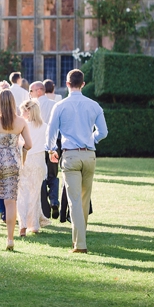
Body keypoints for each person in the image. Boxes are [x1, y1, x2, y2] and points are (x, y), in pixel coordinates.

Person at [45, 69, 107, 253]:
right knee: (84, 199)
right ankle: (80, 239)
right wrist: (91, 139)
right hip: (89, 155)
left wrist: (51, 150)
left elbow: (51, 132)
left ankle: (80, 244)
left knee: (74, 201)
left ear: (67, 83)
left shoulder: (60, 105)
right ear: (83, 84)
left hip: (70, 154)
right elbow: (103, 132)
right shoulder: (94, 105)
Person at [0, 89, 33, 250]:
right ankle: (10, 239)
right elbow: (29, 144)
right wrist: (20, 152)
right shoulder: (21, 122)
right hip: (13, 162)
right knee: (11, 201)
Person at [17, 99, 48, 235]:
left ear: (27, 111)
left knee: (22, 193)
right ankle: (34, 225)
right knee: (35, 194)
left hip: (25, 159)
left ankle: (23, 225)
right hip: (39, 161)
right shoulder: (44, 126)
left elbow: (17, 142)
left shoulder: (21, 126)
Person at [34, 81, 61, 218]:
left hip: (38, 146)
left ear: (39, 91)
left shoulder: (33, 106)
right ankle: (55, 201)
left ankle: (45, 210)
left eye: (31, 91)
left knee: (41, 176)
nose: (30, 94)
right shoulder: (54, 105)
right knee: (53, 174)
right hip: (54, 145)